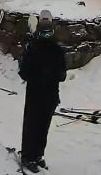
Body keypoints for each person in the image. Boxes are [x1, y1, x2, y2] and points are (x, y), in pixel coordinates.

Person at [19, 10, 66, 171]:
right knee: (35, 126)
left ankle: (37, 155)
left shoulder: (42, 49)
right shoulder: (37, 48)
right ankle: (28, 156)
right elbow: (25, 72)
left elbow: (62, 75)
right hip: (40, 94)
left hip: (45, 94)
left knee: (40, 126)